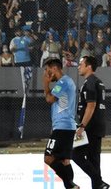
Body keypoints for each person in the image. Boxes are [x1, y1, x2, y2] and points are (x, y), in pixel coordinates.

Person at [42, 57, 79, 189]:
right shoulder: (66, 83)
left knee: (48, 157)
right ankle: (70, 186)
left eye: (47, 70)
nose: (46, 73)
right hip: (65, 126)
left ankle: (70, 184)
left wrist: (45, 83)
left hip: (63, 127)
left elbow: (50, 99)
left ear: (54, 69)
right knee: (64, 161)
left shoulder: (63, 82)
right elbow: (61, 104)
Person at [73, 55, 109, 189]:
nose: (78, 67)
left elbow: (91, 105)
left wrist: (82, 126)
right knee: (94, 161)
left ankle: (98, 181)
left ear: (89, 66)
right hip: (98, 126)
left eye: (81, 64)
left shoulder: (90, 83)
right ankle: (98, 185)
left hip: (90, 127)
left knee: (75, 155)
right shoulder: (98, 82)